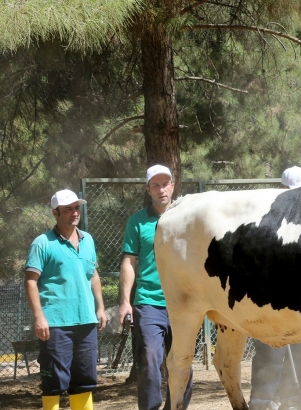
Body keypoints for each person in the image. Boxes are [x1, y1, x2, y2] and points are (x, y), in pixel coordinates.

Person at [249, 166, 301, 410]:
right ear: (282, 190)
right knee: (270, 352)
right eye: (292, 192)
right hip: (271, 299)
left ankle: (300, 400)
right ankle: (263, 400)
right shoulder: (265, 218)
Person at [24, 189, 107, 410]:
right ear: (55, 212)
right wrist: (39, 317)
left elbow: (93, 274)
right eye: (68, 209)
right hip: (55, 324)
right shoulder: (42, 243)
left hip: (86, 321)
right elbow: (31, 281)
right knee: (54, 382)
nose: (74, 212)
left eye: (76, 208)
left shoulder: (88, 240)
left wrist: (100, 307)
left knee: (85, 380)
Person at [118, 165, 193, 410]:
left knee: (183, 363)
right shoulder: (137, 222)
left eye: (165, 184)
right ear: (148, 190)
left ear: (173, 186)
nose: (161, 190)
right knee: (150, 360)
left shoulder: (189, 217)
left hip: (184, 302)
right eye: (156, 185)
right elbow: (129, 262)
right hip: (148, 302)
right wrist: (125, 302)